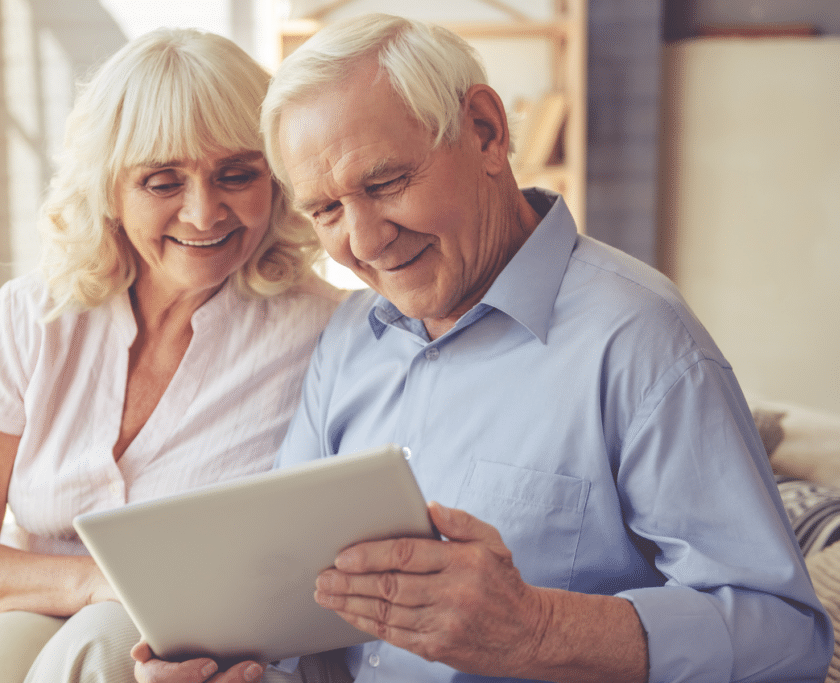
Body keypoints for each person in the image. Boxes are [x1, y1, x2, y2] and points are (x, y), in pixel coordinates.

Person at [134, 13, 832, 683]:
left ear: (486, 132)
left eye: (385, 183)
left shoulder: (642, 343)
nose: (366, 241)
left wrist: (537, 627)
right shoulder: (349, 337)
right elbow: (288, 610)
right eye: (327, 210)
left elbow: (787, 634)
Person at [0, 28, 341, 683]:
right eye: (162, 181)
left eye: (237, 174)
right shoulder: (32, 316)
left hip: (190, 630)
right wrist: (92, 582)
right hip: (46, 589)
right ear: (111, 191)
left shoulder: (326, 333)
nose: (204, 212)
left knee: (75, 647)